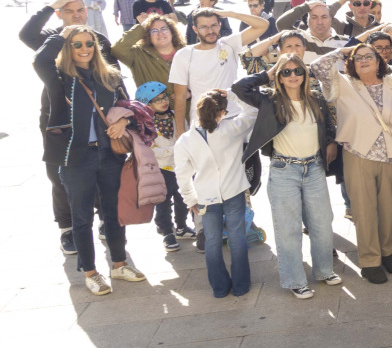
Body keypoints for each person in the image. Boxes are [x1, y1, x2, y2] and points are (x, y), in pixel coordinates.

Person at [34, 26, 147, 295]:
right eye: (76, 44)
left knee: (113, 213)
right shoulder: (59, 78)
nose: (84, 49)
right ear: (67, 48)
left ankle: (119, 265)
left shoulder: (110, 75)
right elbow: (39, 60)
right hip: (76, 157)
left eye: (89, 43)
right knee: (81, 217)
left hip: (110, 154)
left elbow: (131, 107)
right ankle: (90, 272)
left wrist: (123, 119)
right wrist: (63, 34)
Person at [234, 55, 342, 298]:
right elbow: (239, 88)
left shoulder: (316, 100)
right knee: (288, 228)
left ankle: (324, 271)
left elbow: (329, 126)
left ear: (304, 74)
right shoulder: (270, 101)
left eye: (297, 71)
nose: (293, 75)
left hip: (313, 168)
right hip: (284, 171)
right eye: (286, 72)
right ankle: (295, 279)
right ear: (279, 77)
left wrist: (331, 142)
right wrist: (268, 73)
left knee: (322, 224)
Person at [313, 43, 392, 282]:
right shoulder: (343, 85)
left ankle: (387, 252)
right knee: (364, 211)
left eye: (370, 56)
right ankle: (369, 261)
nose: (364, 60)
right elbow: (318, 67)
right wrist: (344, 51)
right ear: (351, 63)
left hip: (389, 155)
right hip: (357, 154)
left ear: (379, 61)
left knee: (388, 209)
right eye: (359, 58)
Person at [174, 89, 257, 297]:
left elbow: (182, 175)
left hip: (205, 196)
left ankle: (219, 289)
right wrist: (233, 94)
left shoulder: (185, 140)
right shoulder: (232, 128)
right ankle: (241, 286)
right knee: (237, 238)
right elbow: (253, 111)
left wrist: (190, 199)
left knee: (212, 242)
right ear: (222, 112)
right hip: (234, 191)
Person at [169, 8, 269, 139]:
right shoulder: (184, 55)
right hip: (202, 122)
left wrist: (230, 13)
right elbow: (180, 97)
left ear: (220, 25)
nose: (210, 31)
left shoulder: (229, 44)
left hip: (235, 119)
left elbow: (263, 25)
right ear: (195, 29)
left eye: (213, 25)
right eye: (204, 27)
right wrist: (181, 132)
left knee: (242, 160)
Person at [134, 81, 192, 251]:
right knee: (163, 201)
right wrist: (177, 149)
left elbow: (186, 134)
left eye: (164, 97)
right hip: (160, 169)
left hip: (180, 166)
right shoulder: (145, 124)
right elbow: (151, 149)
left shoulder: (176, 115)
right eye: (157, 100)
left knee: (184, 198)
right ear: (148, 105)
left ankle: (182, 227)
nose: (163, 101)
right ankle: (167, 233)